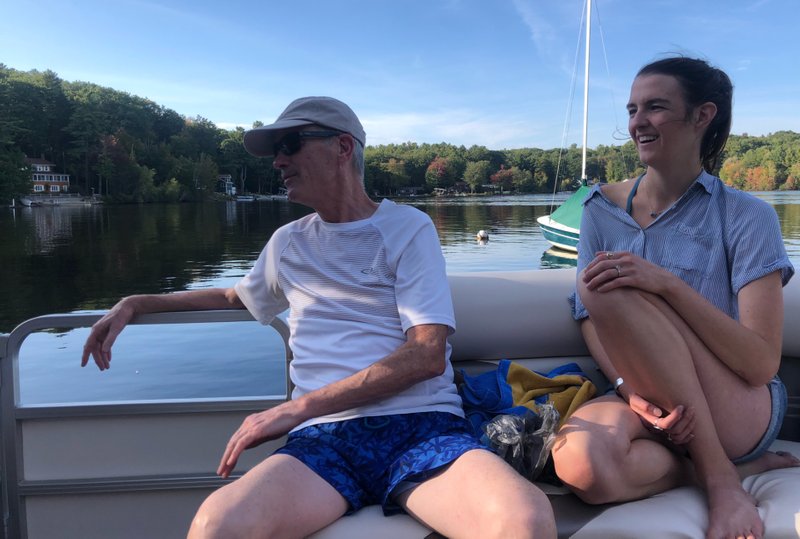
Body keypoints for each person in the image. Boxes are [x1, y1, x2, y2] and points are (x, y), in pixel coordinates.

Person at [82, 96, 556, 539]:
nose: (277, 161)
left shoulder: (407, 228)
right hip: (323, 445)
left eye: (289, 145)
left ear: (342, 148)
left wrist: (294, 408)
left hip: (422, 427)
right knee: (217, 526)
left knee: (523, 520)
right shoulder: (287, 242)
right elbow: (235, 297)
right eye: (275, 151)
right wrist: (138, 302)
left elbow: (427, 355)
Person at [550, 57, 800, 539]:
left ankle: (720, 477)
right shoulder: (599, 210)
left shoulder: (747, 217)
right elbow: (590, 317)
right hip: (643, 395)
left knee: (614, 282)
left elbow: (761, 363)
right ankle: (726, 471)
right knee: (581, 465)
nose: (636, 122)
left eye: (655, 107)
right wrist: (630, 391)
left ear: (702, 116)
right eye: (632, 109)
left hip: (734, 401)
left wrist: (666, 284)